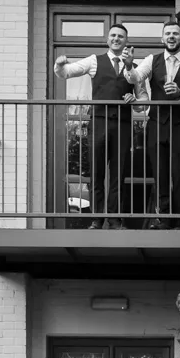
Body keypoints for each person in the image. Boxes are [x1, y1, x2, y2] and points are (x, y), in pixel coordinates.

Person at [53, 22, 138, 229]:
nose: (116, 39)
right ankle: (97, 218)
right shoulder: (94, 61)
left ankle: (115, 219)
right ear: (108, 39)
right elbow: (68, 73)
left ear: (126, 41)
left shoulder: (132, 68)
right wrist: (59, 65)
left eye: (120, 36)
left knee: (119, 173)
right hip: (99, 122)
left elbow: (142, 98)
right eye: (113, 36)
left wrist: (134, 100)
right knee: (97, 172)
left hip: (123, 124)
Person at [123, 20, 180, 229]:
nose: (171, 36)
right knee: (160, 174)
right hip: (157, 124)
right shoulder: (152, 60)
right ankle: (162, 219)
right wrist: (129, 65)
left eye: (175, 33)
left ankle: (178, 222)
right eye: (167, 33)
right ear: (162, 38)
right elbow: (135, 78)